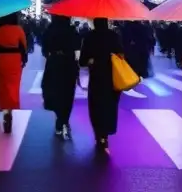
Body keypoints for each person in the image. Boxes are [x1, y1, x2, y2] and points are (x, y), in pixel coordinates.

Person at [79, 17, 122, 150]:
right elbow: (121, 54)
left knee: (96, 106)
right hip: (112, 76)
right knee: (110, 106)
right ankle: (106, 134)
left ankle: (99, 134)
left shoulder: (89, 37)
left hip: (97, 76)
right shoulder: (114, 36)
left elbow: (82, 61)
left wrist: (92, 60)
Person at [42, 14, 80, 139]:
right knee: (68, 93)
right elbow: (78, 46)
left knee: (54, 91)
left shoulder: (49, 29)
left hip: (53, 63)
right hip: (69, 63)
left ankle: (59, 119)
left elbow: (44, 49)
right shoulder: (72, 30)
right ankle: (64, 120)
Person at [0, 13, 28, 133]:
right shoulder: (18, 29)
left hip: (1, 60)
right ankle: (10, 110)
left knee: (2, 87)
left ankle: (5, 110)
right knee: (13, 86)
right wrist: (24, 60)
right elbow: (24, 46)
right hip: (14, 60)